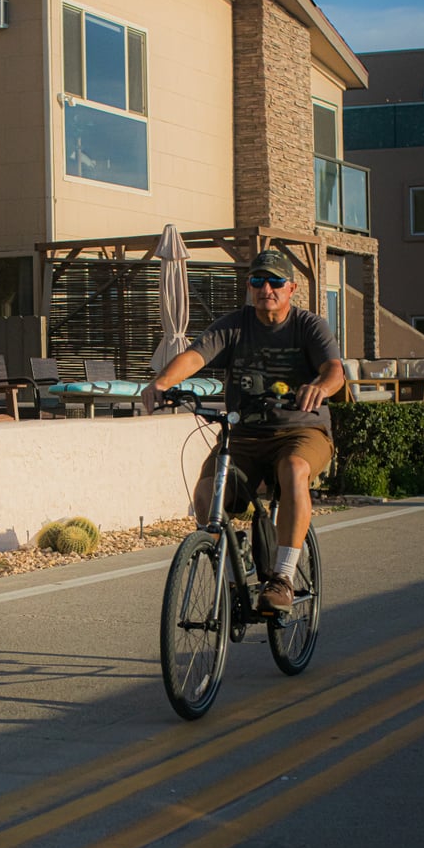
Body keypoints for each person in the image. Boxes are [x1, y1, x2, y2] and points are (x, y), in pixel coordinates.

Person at [142, 248, 344, 613]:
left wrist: (321, 387)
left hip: (300, 430)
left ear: (291, 288)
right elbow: (195, 356)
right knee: (206, 494)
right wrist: (162, 382)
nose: (266, 288)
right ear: (249, 287)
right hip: (244, 435)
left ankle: (282, 577)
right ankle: (235, 566)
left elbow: (334, 370)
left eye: (275, 281)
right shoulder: (234, 325)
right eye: (257, 280)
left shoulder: (309, 326)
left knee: (294, 469)